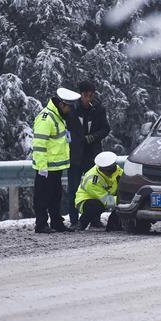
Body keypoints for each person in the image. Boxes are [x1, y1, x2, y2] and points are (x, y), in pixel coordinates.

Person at [32, 87, 79, 233]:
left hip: (56, 167)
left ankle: (56, 222)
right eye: (69, 107)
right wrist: (42, 167)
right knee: (42, 197)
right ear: (61, 105)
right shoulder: (46, 118)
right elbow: (39, 144)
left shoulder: (58, 117)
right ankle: (41, 224)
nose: (70, 111)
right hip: (46, 167)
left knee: (55, 196)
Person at [66, 79, 111, 228]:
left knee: (95, 188)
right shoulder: (71, 109)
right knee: (73, 189)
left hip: (93, 155)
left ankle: (94, 219)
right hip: (75, 155)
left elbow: (106, 129)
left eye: (91, 95)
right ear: (80, 95)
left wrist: (93, 137)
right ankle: (74, 220)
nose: (88, 99)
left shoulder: (99, 109)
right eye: (86, 95)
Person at [74, 151, 123, 231]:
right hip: (85, 201)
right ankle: (81, 224)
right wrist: (123, 200)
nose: (112, 171)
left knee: (121, 200)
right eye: (109, 170)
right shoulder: (92, 179)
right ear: (102, 169)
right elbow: (106, 200)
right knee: (96, 205)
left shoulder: (116, 170)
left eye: (113, 167)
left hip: (106, 198)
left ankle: (114, 225)